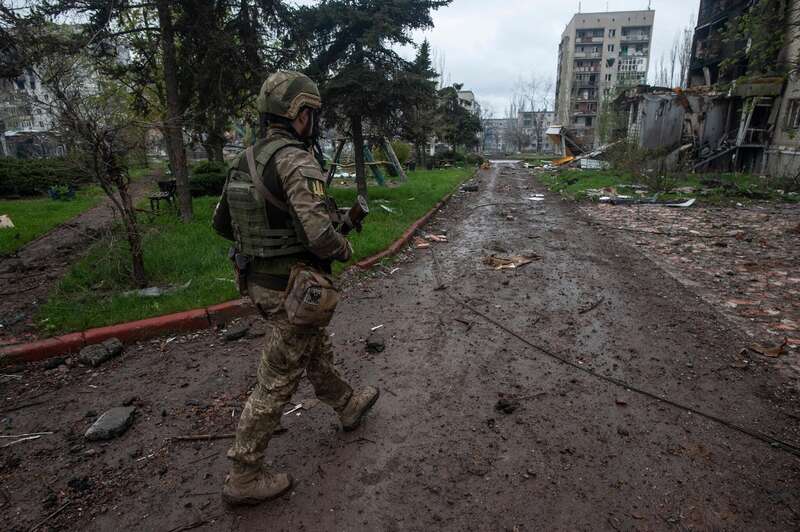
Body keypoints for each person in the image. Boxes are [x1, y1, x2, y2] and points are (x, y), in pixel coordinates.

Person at [212, 70, 380, 506]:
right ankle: (244, 474)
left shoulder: (243, 160)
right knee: (276, 378)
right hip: (293, 288)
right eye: (313, 113)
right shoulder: (296, 160)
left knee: (311, 346)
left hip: (257, 281)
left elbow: (221, 225)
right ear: (300, 114)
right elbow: (320, 237)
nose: (314, 121)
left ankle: (346, 403)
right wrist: (343, 246)